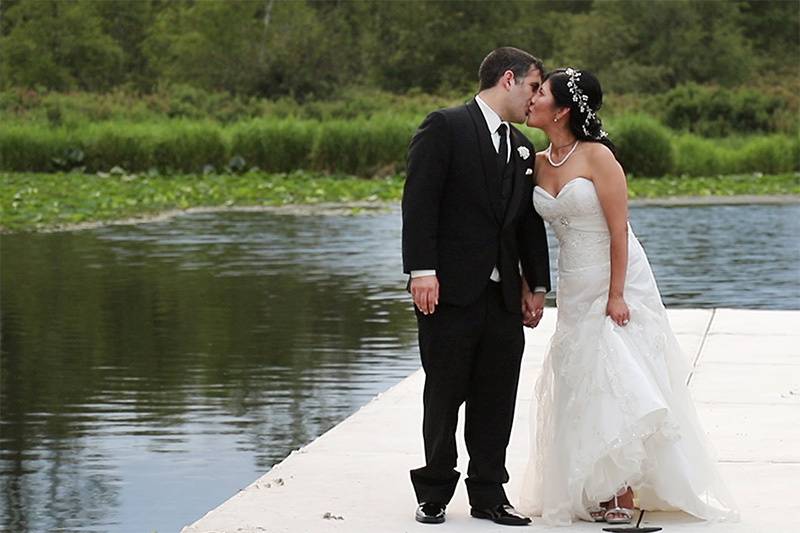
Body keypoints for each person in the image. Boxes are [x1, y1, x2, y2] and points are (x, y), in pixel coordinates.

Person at [518, 67, 740, 525]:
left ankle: (621, 491)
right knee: (581, 376)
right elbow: (525, 234)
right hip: (574, 281)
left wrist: (617, 294)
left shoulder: (598, 157)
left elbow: (619, 229)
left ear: (561, 109)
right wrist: (530, 284)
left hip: (617, 275)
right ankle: (593, 483)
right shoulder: (537, 162)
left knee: (617, 371)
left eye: (540, 92)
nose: (532, 97)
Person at [402, 47, 551, 526]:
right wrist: (421, 270)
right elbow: (419, 201)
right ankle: (434, 492)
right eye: (532, 87)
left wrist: (537, 285)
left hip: (504, 295)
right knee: (444, 395)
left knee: (497, 396)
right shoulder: (444, 126)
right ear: (508, 79)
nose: (535, 99)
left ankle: (489, 494)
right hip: (448, 290)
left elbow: (527, 223)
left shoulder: (525, 148)